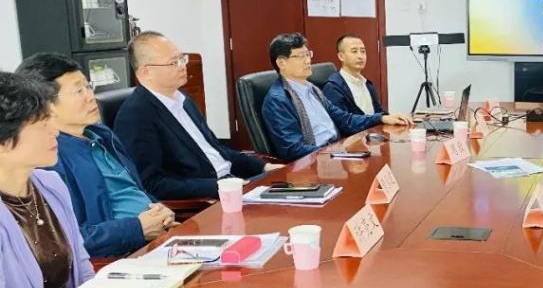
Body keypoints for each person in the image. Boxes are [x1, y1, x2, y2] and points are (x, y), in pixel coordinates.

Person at [0, 72, 99, 288]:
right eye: (42, 124)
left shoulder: (50, 184)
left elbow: (84, 275)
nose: (55, 131)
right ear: (3, 141)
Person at [16, 53, 175, 257]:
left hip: (156, 240)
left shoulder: (102, 134)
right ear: (47, 105)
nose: (91, 97)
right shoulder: (48, 158)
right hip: (118, 257)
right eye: (78, 91)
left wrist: (161, 211)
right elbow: (65, 239)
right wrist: (136, 229)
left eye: (88, 86)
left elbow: (133, 190)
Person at [114, 31, 283, 199]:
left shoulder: (184, 99)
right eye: (173, 63)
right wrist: (222, 187)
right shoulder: (136, 115)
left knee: (289, 182)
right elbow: (153, 184)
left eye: (182, 58)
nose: (182, 66)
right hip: (207, 197)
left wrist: (264, 167)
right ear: (146, 71)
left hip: (233, 183)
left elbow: (216, 150)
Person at [261, 33, 411, 161]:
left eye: (308, 54)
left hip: (335, 151)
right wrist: (334, 152)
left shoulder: (313, 90)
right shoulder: (278, 100)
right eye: (300, 56)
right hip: (317, 161)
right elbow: (293, 149)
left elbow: (345, 120)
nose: (308, 60)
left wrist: (382, 118)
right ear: (281, 63)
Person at [322, 34, 388, 116]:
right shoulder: (333, 87)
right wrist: (379, 118)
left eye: (363, 51)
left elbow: (379, 112)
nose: (360, 56)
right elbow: (343, 121)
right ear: (341, 56)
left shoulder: (367, 84)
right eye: (354, 51)